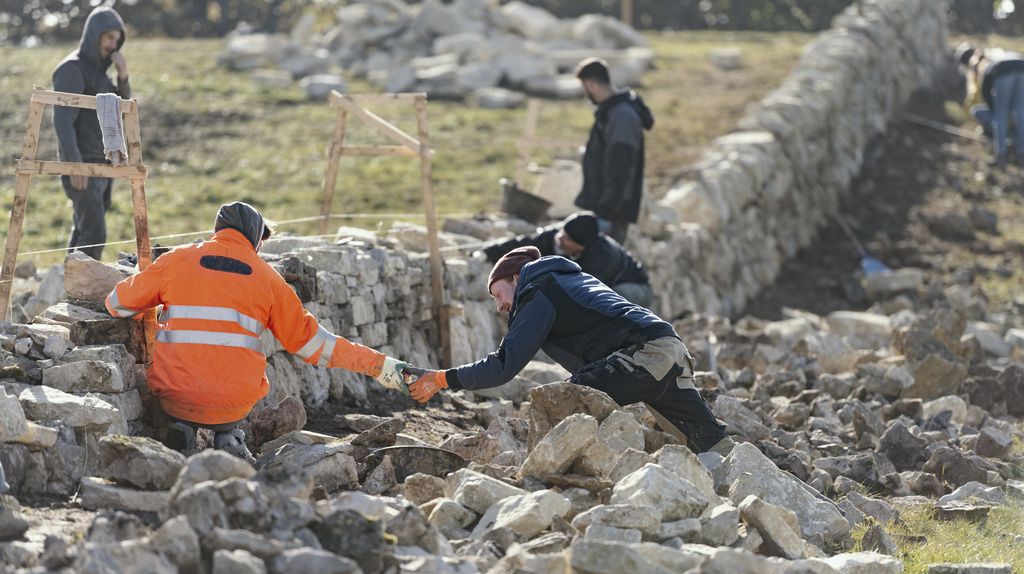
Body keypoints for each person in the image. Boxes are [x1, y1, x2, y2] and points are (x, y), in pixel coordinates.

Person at [105, 201, 410, 461]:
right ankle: (229, 438)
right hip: (234, 403)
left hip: (175, 396)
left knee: (180, 405)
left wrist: (145, 281)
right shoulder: (269, 280)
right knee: (231, 407)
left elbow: (117, 304)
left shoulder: (177, 260)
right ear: (255, 239)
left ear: (217, 230)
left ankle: (181, 432)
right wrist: (378, 365)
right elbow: (312, 345)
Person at [409, 246, 732, 455]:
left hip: (643, 356)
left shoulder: (538, 291)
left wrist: (441, 379)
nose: (499, 306)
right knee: (712, 444)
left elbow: (504, 365)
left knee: (564, 403)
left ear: (517, 277)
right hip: (669, 351)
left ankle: (552, 487)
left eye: (498, 294)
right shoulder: (568, 280)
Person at [52, 6, 131, 260]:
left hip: (102, 165)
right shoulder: (72, 69)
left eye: (117, 40)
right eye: (109, 38)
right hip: (82, 163)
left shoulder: (102, 76)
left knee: (84, 228)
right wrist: (74, 163)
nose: (113, 46)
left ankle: (68, 288)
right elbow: (63, 120)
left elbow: (122, 114)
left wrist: (123, 77)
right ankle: (81, 293)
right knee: (94, 232)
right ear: (94, 35)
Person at [482, 211, 654, 307]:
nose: (560, 238)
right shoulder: (559, 236)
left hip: (635, 288)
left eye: (566, 239)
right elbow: (525, 243)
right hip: (605, 284)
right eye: (562, 232)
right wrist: (488, 252)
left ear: (581, 246)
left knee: (611, 300)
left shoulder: (604, 257)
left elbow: (583, 290)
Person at [574, 57, 654, 245]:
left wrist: (605, 214)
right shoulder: (611, 112)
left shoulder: (622, 117)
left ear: (591, 84)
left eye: (584, 87)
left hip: (611, 215)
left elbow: (620, 169)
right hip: (604, 209)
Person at [957, 42, 1024, 166]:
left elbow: (984, 90)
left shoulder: (983, 64)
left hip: (1004, 71)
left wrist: (993, 108)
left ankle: (1001, 156)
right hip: (1022, 66)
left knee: (1000, 116)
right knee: (1021, 114)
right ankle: (1021, 153)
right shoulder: (997, 52)